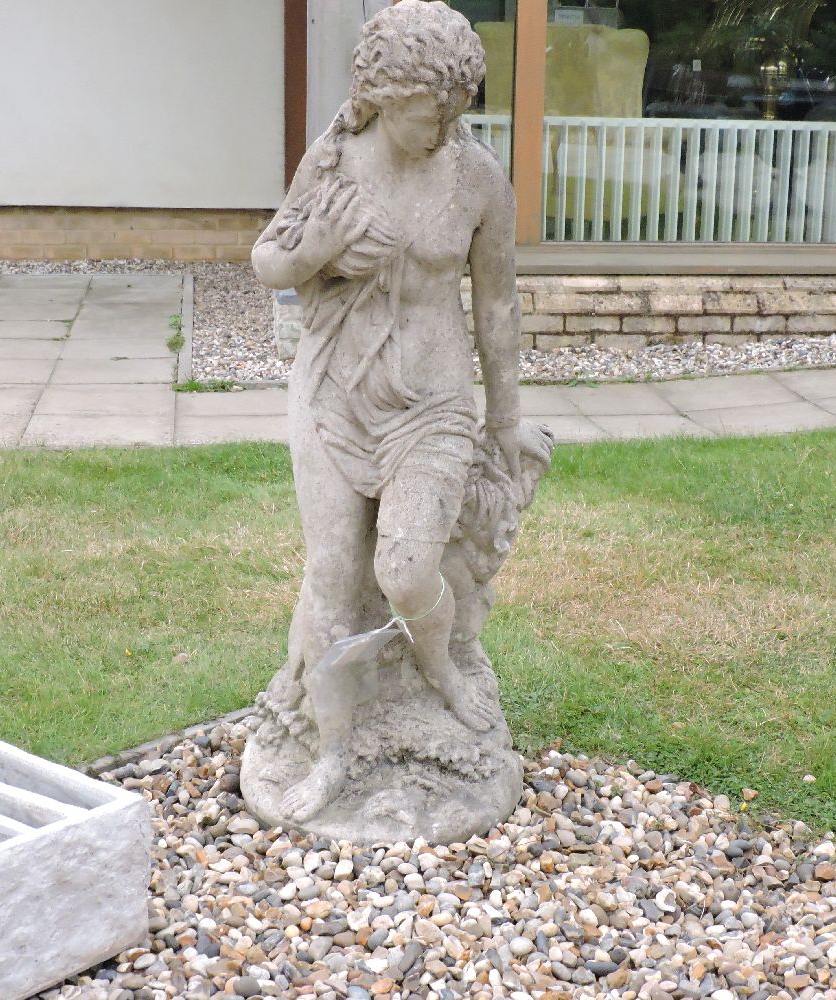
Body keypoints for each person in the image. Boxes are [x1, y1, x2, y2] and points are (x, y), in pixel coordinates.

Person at [250, 0, 522, 822]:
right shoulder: (334, 162)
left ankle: (441, 668)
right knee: (330, 579)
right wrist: (314, 252)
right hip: (333, 388)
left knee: (405, 570)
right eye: (422, 114)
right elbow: (270, 259)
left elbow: (498, 307)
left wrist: (504, 424)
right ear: (379, 95)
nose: (440, 129)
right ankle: (332, 751)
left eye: (452, 113)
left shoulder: (476, 178)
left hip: (432, 403)